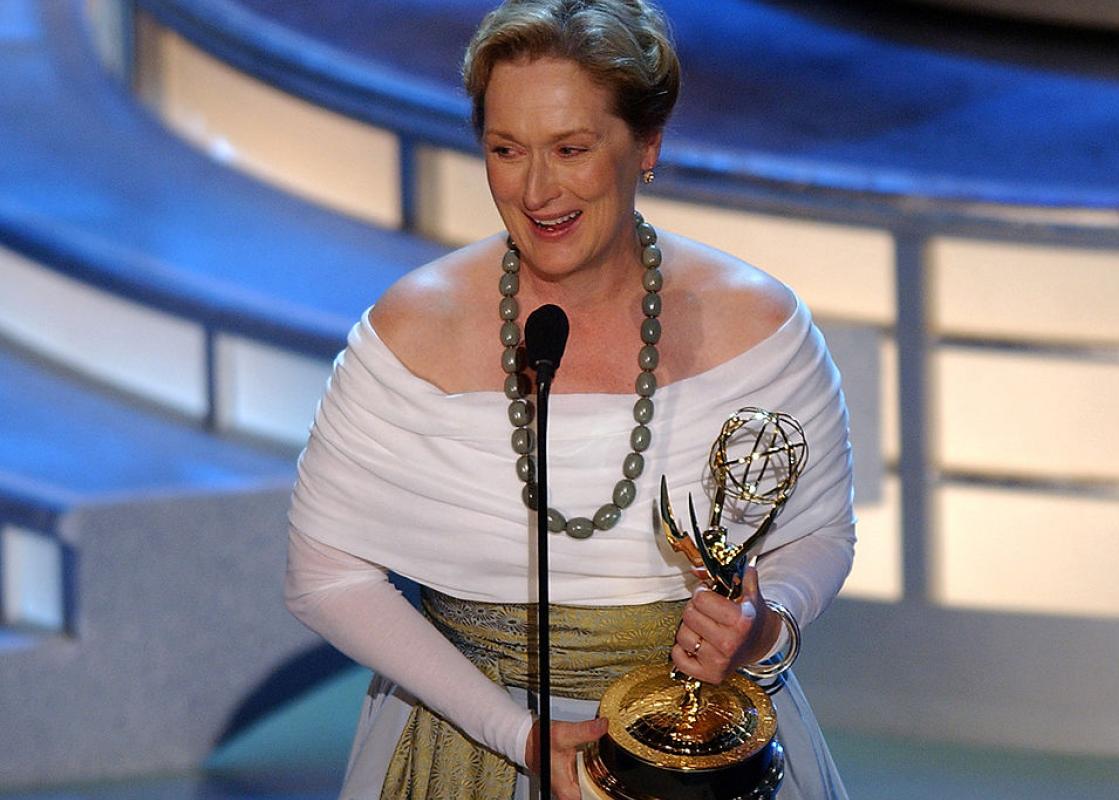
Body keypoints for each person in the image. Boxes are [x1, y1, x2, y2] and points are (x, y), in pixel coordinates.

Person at [286, 1, 855, 798]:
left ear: (646, 144)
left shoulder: (760, 327)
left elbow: (820, 533)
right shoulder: (410, 332)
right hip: (469, 749)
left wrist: (763, 625)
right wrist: (514, 733)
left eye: (571, 149)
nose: (536, 189)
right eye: (506, 150)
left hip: (699, 750)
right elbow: (324, 577)